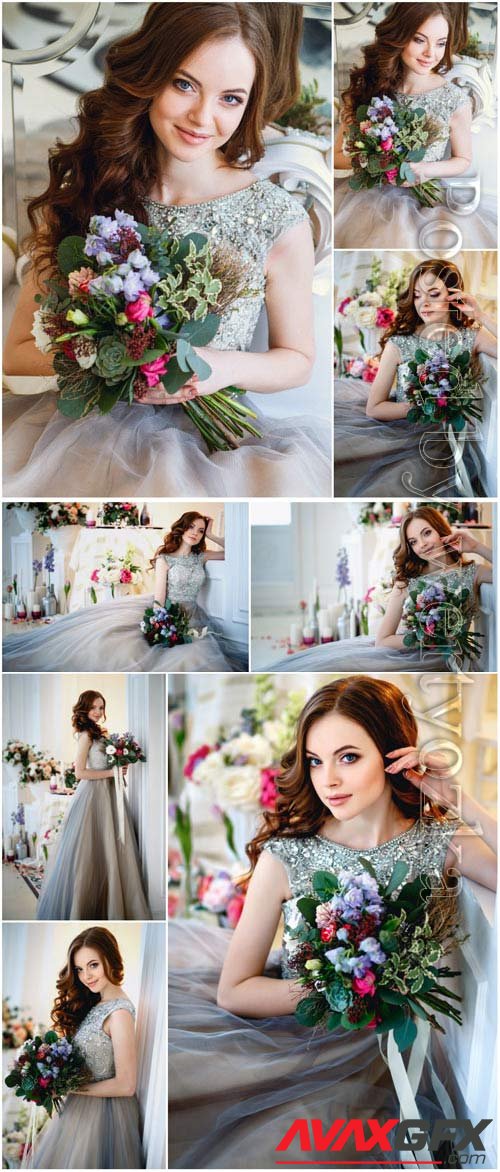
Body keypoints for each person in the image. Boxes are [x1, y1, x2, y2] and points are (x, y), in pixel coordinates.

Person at [3, 3, 330, 498]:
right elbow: (17, 356)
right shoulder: (86, 192)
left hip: (216, 451)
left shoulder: (276, 217)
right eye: (184, 84)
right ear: (149, 74)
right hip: (80, 437)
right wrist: (112, 356)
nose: (203, 117)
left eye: (231, 98)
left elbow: (298, 358)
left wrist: (216, 367)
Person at [169, 676, 496, 1167]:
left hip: (393, 1063)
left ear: (393, 755)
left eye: (348, 757)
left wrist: (458, 799)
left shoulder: (438, 844)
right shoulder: (288, 855)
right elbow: (234, 990)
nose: (329, 781)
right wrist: (344, 990)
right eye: (316, 761)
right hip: (296, 1046)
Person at [334, 3, 497, 249]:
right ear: (399, 37)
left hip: (427, 200)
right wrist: (375, 162)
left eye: (441, 43)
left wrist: (423, 168)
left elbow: (462, 159)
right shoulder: (366, 89)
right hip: (367, 198)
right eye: (420, 40)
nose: (431, 53)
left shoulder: (454, 99)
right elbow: (337, 158)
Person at [2, 512, 247, 672]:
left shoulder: (201, 556)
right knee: (112, 642)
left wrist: (213, 534)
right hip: (166, 610)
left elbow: (234, 550)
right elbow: (160, 597)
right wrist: (161, 622)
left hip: (193, 613)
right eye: (192, 527)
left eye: (201, 530)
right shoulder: (165, 558)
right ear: (181, 529)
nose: (195, 533)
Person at [334, 258, 497, 496]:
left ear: (453, 295)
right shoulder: (399, 343)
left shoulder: (472, 336)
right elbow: (374, 408)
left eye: (433, 294)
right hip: (400, 430)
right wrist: (423, 407)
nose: (424, 303)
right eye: (418, 295)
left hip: (445, 438)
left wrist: (481, 315)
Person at [264, 506, 493, 673]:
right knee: (331, 665)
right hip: (407, 653)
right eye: (412, 541)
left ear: (440, 531)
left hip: (446, 660)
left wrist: (477, 547)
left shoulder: (473, 573)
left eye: (426, 533)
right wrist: (423, 638)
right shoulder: (407, 580)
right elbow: (383, 640)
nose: (422, 544)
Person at [32, 926, 144, 1169]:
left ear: (110, 959)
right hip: (80, 1110)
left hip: (105, 1118)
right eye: (80, 969)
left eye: (93, 965)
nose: (86, 976)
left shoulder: (120, 1013)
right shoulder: (98, 1003)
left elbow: (127, 1085)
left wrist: (70, 1086)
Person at [36, 691, 151, 920]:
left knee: (111, 848)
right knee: (91, 852)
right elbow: (79, 772)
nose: (98, 712)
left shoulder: (101, 733)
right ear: (84, 709)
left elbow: (108, 764)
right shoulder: (85, 734)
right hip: (92, 797)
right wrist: (112, 771)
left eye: (101, 707)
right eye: (94, 708)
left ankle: (114, 903)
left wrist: (121, 765)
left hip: (109, 794)